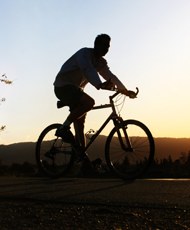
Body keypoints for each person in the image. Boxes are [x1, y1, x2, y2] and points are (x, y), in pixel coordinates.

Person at [53, 34, 136, 162]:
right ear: (95, 45)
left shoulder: (101, 62)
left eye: (108, 46)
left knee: (80, 125)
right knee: (89, 103)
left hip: (76, 90)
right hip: (63, 86)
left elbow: (110, 75)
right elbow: (88, 69)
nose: (106, 48)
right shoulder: (84, 54)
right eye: (103, 45)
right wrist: (99, 84)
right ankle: (63, 128)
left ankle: (83, 159)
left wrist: (125, 91)